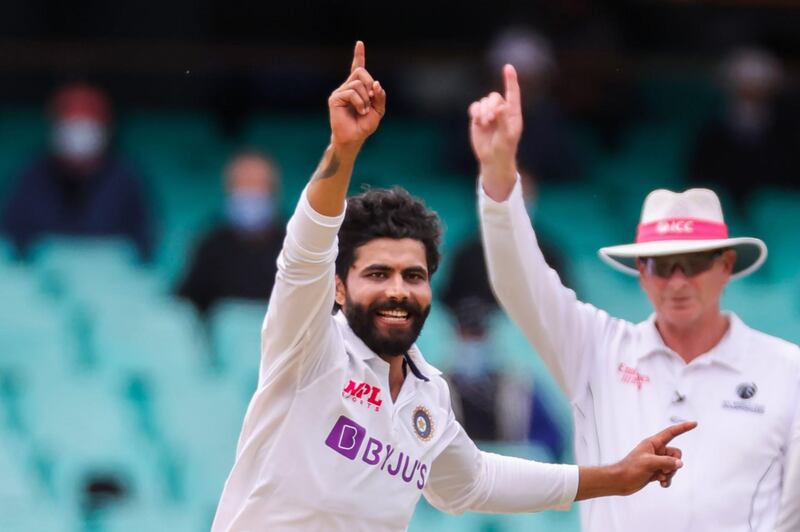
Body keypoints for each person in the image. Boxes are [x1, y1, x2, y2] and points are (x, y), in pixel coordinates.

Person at [211, 42, 696, 532]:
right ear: (338, 288)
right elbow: (305, 252)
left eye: (413, 276)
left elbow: (476, 481)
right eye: (377, 274)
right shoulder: (309, 346)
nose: (398, 290)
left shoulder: (429, 394)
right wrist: (343, 149)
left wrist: (613, 478)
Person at [472, 64, 800, 531]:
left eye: (696, 262)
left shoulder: (788, 370)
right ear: (640, 273)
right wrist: (499, 172)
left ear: (726, 267)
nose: (679, 280)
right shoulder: (598, 349)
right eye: (662, 265)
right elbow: (517, 282)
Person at [0, 82, 153, 259]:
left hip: (107, 276)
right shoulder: (30, 177)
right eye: (70, 129)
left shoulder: (126, 178)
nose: (78, 140)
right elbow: (11, 235)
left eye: (87, 129)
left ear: (106, 132)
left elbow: (146, 240)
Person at [689, 47, 798, 211]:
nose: (751, 95)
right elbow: (699, 180)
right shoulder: (710, 133)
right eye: (743, 88)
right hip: (726, 207)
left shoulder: (790, 132)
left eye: (758, 88)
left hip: (775, 207)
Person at [177, 150, 285, 313]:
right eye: (242, 186)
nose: (250, 194)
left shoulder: (299, 242)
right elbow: (187, 302)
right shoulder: (210, 244)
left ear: (274, 192)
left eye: (257, 186)